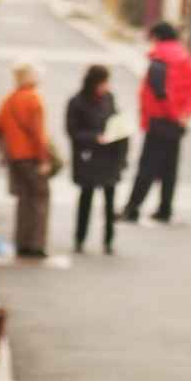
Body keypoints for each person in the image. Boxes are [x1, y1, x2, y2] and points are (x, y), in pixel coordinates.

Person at [121, 22, 191, 224]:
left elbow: (160, 94)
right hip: (178, 122)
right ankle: (165, 208)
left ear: (157, 37)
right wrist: (184, 116)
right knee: (169, 167)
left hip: (161, 120)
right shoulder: (186, 58)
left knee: (147, 166)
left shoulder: (159, 60)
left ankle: (132, 208)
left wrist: (173, 115)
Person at [66, 65, 127, 255]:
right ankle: (80, 238)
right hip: (89, 158)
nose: (106, 86)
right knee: (86, 198)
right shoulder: (77, 102)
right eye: (103, 83)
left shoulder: (109, 99)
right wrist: (94, 138)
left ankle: (108, 240)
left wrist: (120, 148)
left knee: (110, 201)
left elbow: (117, 122)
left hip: (109, 157)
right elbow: (73, 131)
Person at [0, 62, 52, 258]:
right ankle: (36, 244)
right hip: (31, 156)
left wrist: (4, 152)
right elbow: (38, 134)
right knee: (39, 199)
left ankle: (21, 241)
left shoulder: (9, 99)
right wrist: (44, 159)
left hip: (14, 156)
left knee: (23, 200)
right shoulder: (34, 99)